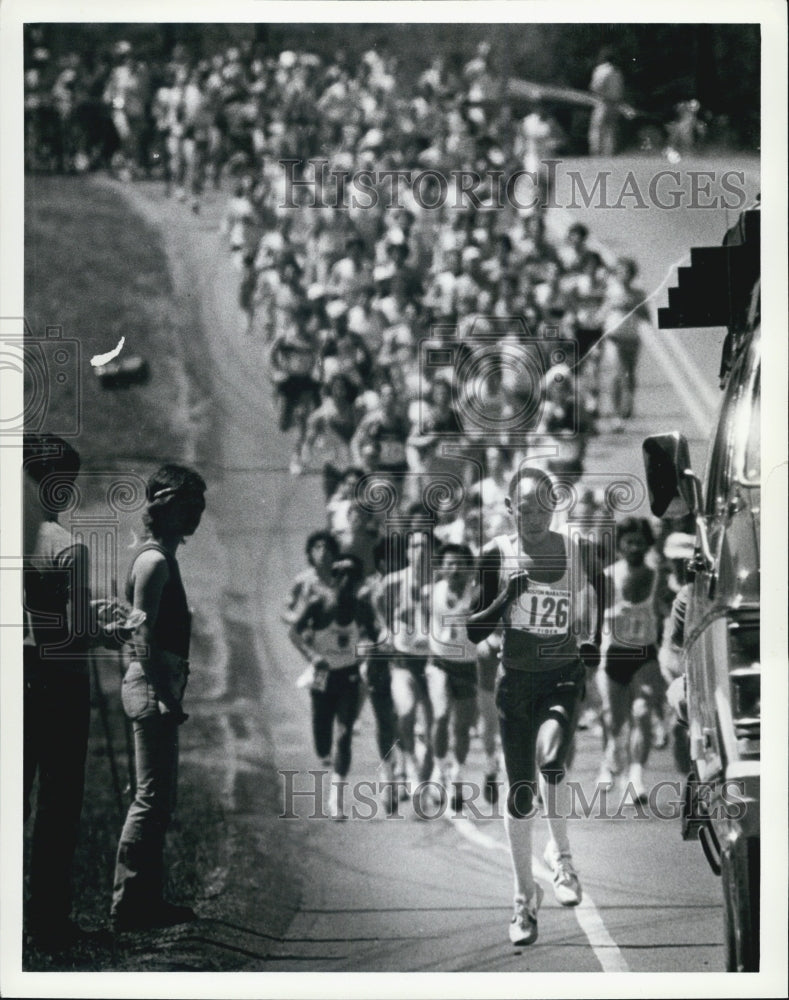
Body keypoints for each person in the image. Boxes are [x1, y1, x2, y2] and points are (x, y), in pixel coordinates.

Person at [467, 467, 603, 946]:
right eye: (526, 508)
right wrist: (507, 596)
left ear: (555, 507)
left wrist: (595, 640)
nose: (535, 517)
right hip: (516, 684)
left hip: (562, 676)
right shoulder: (495, 555)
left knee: (553, 760)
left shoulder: (576, 549)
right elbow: (473, 630)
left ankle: (562, 858)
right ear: (510, 509)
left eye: (544, 507)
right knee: (521, 794)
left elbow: (599, 588)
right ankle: (525, 899)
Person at [110, 464, 207, 933]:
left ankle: (146, 898)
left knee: (157, 799)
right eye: (188, 505)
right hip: (152, 683)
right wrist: (166, 694)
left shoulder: (159, 555)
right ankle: (130, 903)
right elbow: (142, 633)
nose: (197, 514)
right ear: (165, 506)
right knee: (150, 800)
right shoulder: (154, 561)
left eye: (200, 506)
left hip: (157, 681)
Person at [23, 433, 92, 950]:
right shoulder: (65, 545)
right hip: (59, 680)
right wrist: (106, 623)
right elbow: (78, 629)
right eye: (65, 485)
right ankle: (45, 917)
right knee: (58, 802)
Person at [288, 554, 380, 819]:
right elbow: (294, 632)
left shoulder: (363, 608)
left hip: (349, 677)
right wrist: (312, 656)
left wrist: (368, 651)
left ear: (358, 582)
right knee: (322, 738)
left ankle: (335, 800)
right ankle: (323, 752)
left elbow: (375, 636)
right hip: (322, 677)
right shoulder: (319, 604)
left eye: (352, 577)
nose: (346, 581)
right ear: (334, 578)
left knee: (344, 735)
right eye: (341, 575)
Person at [596, 517, 671, 801]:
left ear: (647, 544)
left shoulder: (656, 575)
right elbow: (591, 612)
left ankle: (636, 778)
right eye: (629, 542)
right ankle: (608, 762)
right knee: (614, 720)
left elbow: (666, 609)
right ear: (620, 545)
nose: (635, 547)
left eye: (640, 541)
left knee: (641, 713)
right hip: (614, 654)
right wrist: (609, 615)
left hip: (644, 655)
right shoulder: (609, 575)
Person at [425, 543, 480, 810]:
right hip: (439, 663)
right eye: (449, 564)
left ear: (471, 569)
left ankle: (457, 773)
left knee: (462, 727)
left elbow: (495, 622)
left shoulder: (478, 595)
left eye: (461, 564)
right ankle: (438, 771)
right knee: (441, 715)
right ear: (441, 568)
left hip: (467, 666)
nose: (455, 568)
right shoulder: (431, 593)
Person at [588, 47, 625, 157]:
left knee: (597, 129)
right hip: (616, 103)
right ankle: (609, 154)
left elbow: (596, 86)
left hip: (603, 102)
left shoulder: (601, 70)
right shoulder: (617, 72)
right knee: (611, 130)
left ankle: (596, 153)